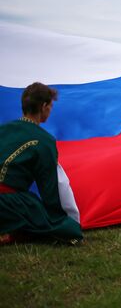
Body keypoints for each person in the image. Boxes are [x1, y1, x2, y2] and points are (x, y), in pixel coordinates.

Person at [0, 82, 83, 245]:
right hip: (7, 203)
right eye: (51, 106)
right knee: (70, 231)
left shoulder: (3, 130)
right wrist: (57, 217)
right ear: (44, 106)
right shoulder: (44, 141)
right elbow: (50, 189)